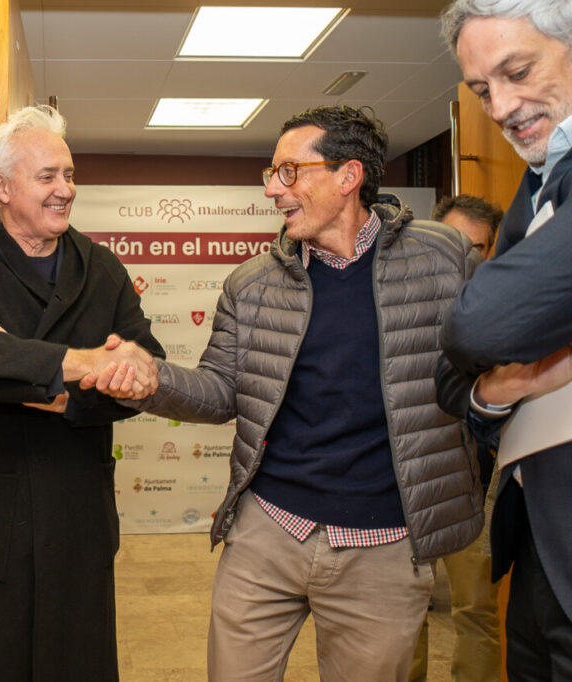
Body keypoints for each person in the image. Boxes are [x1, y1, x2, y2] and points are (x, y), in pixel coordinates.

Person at [90, 105, 484, 681]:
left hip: (383, 542)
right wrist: (150, 378)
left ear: (348, 177)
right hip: (266, 533)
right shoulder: (250, 284)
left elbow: (487, 361)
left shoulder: (442, 259)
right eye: (270, 174)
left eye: (289, 172)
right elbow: (222, 391)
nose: (273, 189)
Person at [0, 104, 163, 682]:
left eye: (69, 175)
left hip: (78, 511)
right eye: (47, 176)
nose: (65, 190)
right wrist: (78, 362)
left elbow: (148, 366)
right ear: (1, 186)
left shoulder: (101, 267)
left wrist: (58, 391)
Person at [438, 1, 572, 677]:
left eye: (517, 71)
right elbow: (451, 378)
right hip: (540, 532)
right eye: (483, 89)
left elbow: (475, 323)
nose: (500, 105)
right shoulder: (540, 180)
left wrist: (485, 355)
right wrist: (503, 384)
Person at [409, 194, 503, 682]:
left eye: (477, 247)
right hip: (407, 487)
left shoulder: (507, 311)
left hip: (471, 489)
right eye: (453, 242)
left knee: (476, 612)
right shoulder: (399, 298)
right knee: (405, 621)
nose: (464, 256)